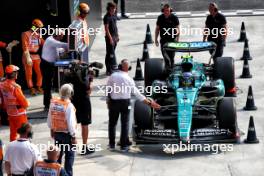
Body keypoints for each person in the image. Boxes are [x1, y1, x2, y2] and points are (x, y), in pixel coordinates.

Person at [106, 59, 161, 151]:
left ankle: (111, 144)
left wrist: (108, 102)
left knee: (112, 124)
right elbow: (138, 95)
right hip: (125, 103)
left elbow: (108, 90)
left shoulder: (112, 76)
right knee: (125, 124)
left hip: (113, 102)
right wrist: (150, 103)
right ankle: (124, 146)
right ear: (128, 68)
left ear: (120, 66)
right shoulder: (129, 79)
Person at [64, 63, 95, 155]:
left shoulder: (69, 77)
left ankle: (70, 145)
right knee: (85, 124)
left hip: (73, 102)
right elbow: (89, 89)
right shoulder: (84, 77)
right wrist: (91, 80)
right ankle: (84, 147)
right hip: (84, 102)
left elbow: (64, 87)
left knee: (71, 123)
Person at [47, 84, 77, 176]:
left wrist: (52, 129)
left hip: (57, 133)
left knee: (58, 156)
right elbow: (71, 123)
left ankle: (56, 173)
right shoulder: (69, 105)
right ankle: (67, 174)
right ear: (71, 93)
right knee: (69, 156)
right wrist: (73, 136)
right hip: (67, 135)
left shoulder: (53, 103)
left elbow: (50, 118)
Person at [0, 65, 30, 141]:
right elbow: (24, 103)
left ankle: (12, 148)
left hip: (10, 113)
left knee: (13, 133)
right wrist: (27, 104)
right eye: (16, 72)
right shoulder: (16, 87)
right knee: (24, 133)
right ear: (14, 74)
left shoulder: (1, 85)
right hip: (19, 114)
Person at [41, 31, 68, 111]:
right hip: (46, 65)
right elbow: (61, 45)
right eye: (61, 36)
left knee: (49, 84)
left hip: (50, 64)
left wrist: (63, 51)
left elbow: (59, 48)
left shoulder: (53, 40)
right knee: (47, 85)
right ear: (57, 35)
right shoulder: (50, 40)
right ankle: (47, 105)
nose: (62, 38)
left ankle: (49, 102)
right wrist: (71, 45)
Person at [21, 19, 45, 95]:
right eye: (38, 27)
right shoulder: (25, 34)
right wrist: (28, 58)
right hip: (28, 55)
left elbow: (44, 43)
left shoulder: (38, 35)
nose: (39, 29)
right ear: (33, 26)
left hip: (36, 56)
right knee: (29, 73)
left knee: (40, 72)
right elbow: (25, 47)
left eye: (40, 28)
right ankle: (31, 88)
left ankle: (38, 87)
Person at [155, 3, 180, 69]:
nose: (166, 12)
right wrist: (155, 39)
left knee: (171, 57)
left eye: (168, 10)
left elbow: (177, 29)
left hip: (172, 40)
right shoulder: (160, 18)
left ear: (170, 10)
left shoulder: (174, 18)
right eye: (165, 10)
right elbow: (157, 29)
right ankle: (167, 69)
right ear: (163, 10)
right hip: (163, 40)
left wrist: (177, 39)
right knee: (165, 57)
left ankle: (171, 69)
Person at [104, 2, 119, 75]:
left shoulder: (114, 16)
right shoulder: (106, 17)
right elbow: (106, 29)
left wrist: (117, 36)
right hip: (110, 38)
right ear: (109, 8)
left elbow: (115, 27)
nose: (114, 9)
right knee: (109, 54)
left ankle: (112, 68)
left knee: (112, 53)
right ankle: (108, 69)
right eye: (113, 8)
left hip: (115, 37)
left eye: (115, 8)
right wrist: (110, 39)